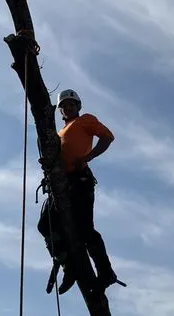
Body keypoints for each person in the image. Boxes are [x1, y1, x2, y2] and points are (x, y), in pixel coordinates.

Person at [37, 88, 118, 294]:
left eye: (71, 104)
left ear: (78, 106)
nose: (67, 108)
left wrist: (87, 157)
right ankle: (67, 265)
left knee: (84, 229)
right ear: (60, 111)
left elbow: (107, 137)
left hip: (80, 180)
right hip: (62, 183)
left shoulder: (86, 121)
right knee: (46, 224)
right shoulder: (59, 133)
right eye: (64, 106)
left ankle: (105, 272)